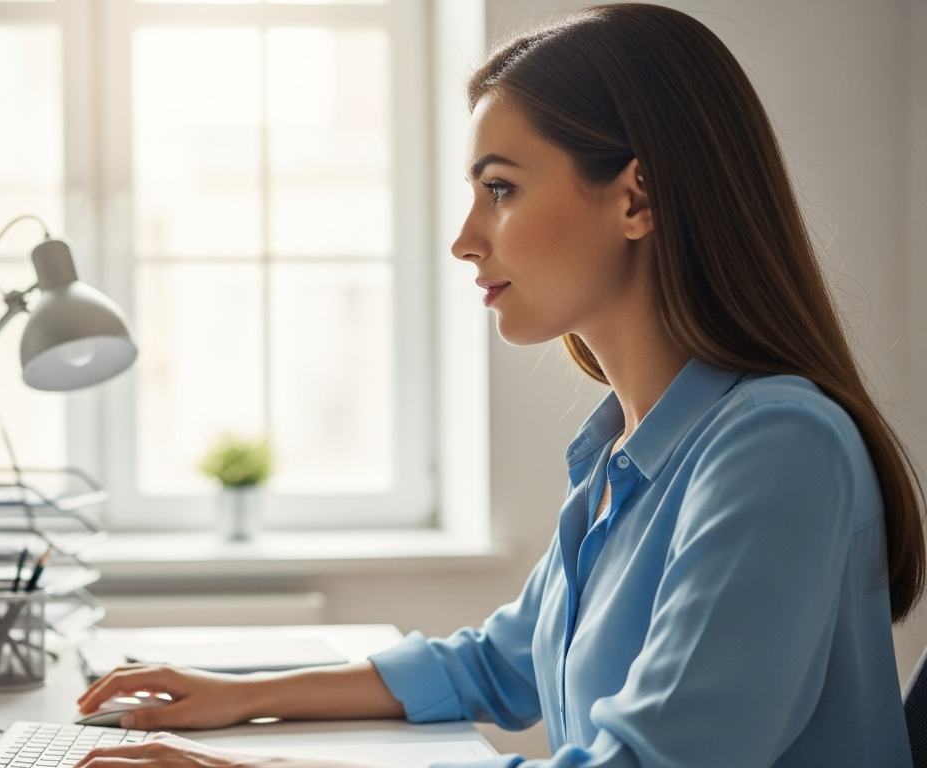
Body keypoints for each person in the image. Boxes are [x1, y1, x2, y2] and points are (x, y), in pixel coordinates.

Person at [72, 5, 923, 766]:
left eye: (501, 189)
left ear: (638, 197)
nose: (466, 239)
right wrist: (243, 695)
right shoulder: (624, 452)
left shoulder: (777, 447)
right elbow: (498, 662)